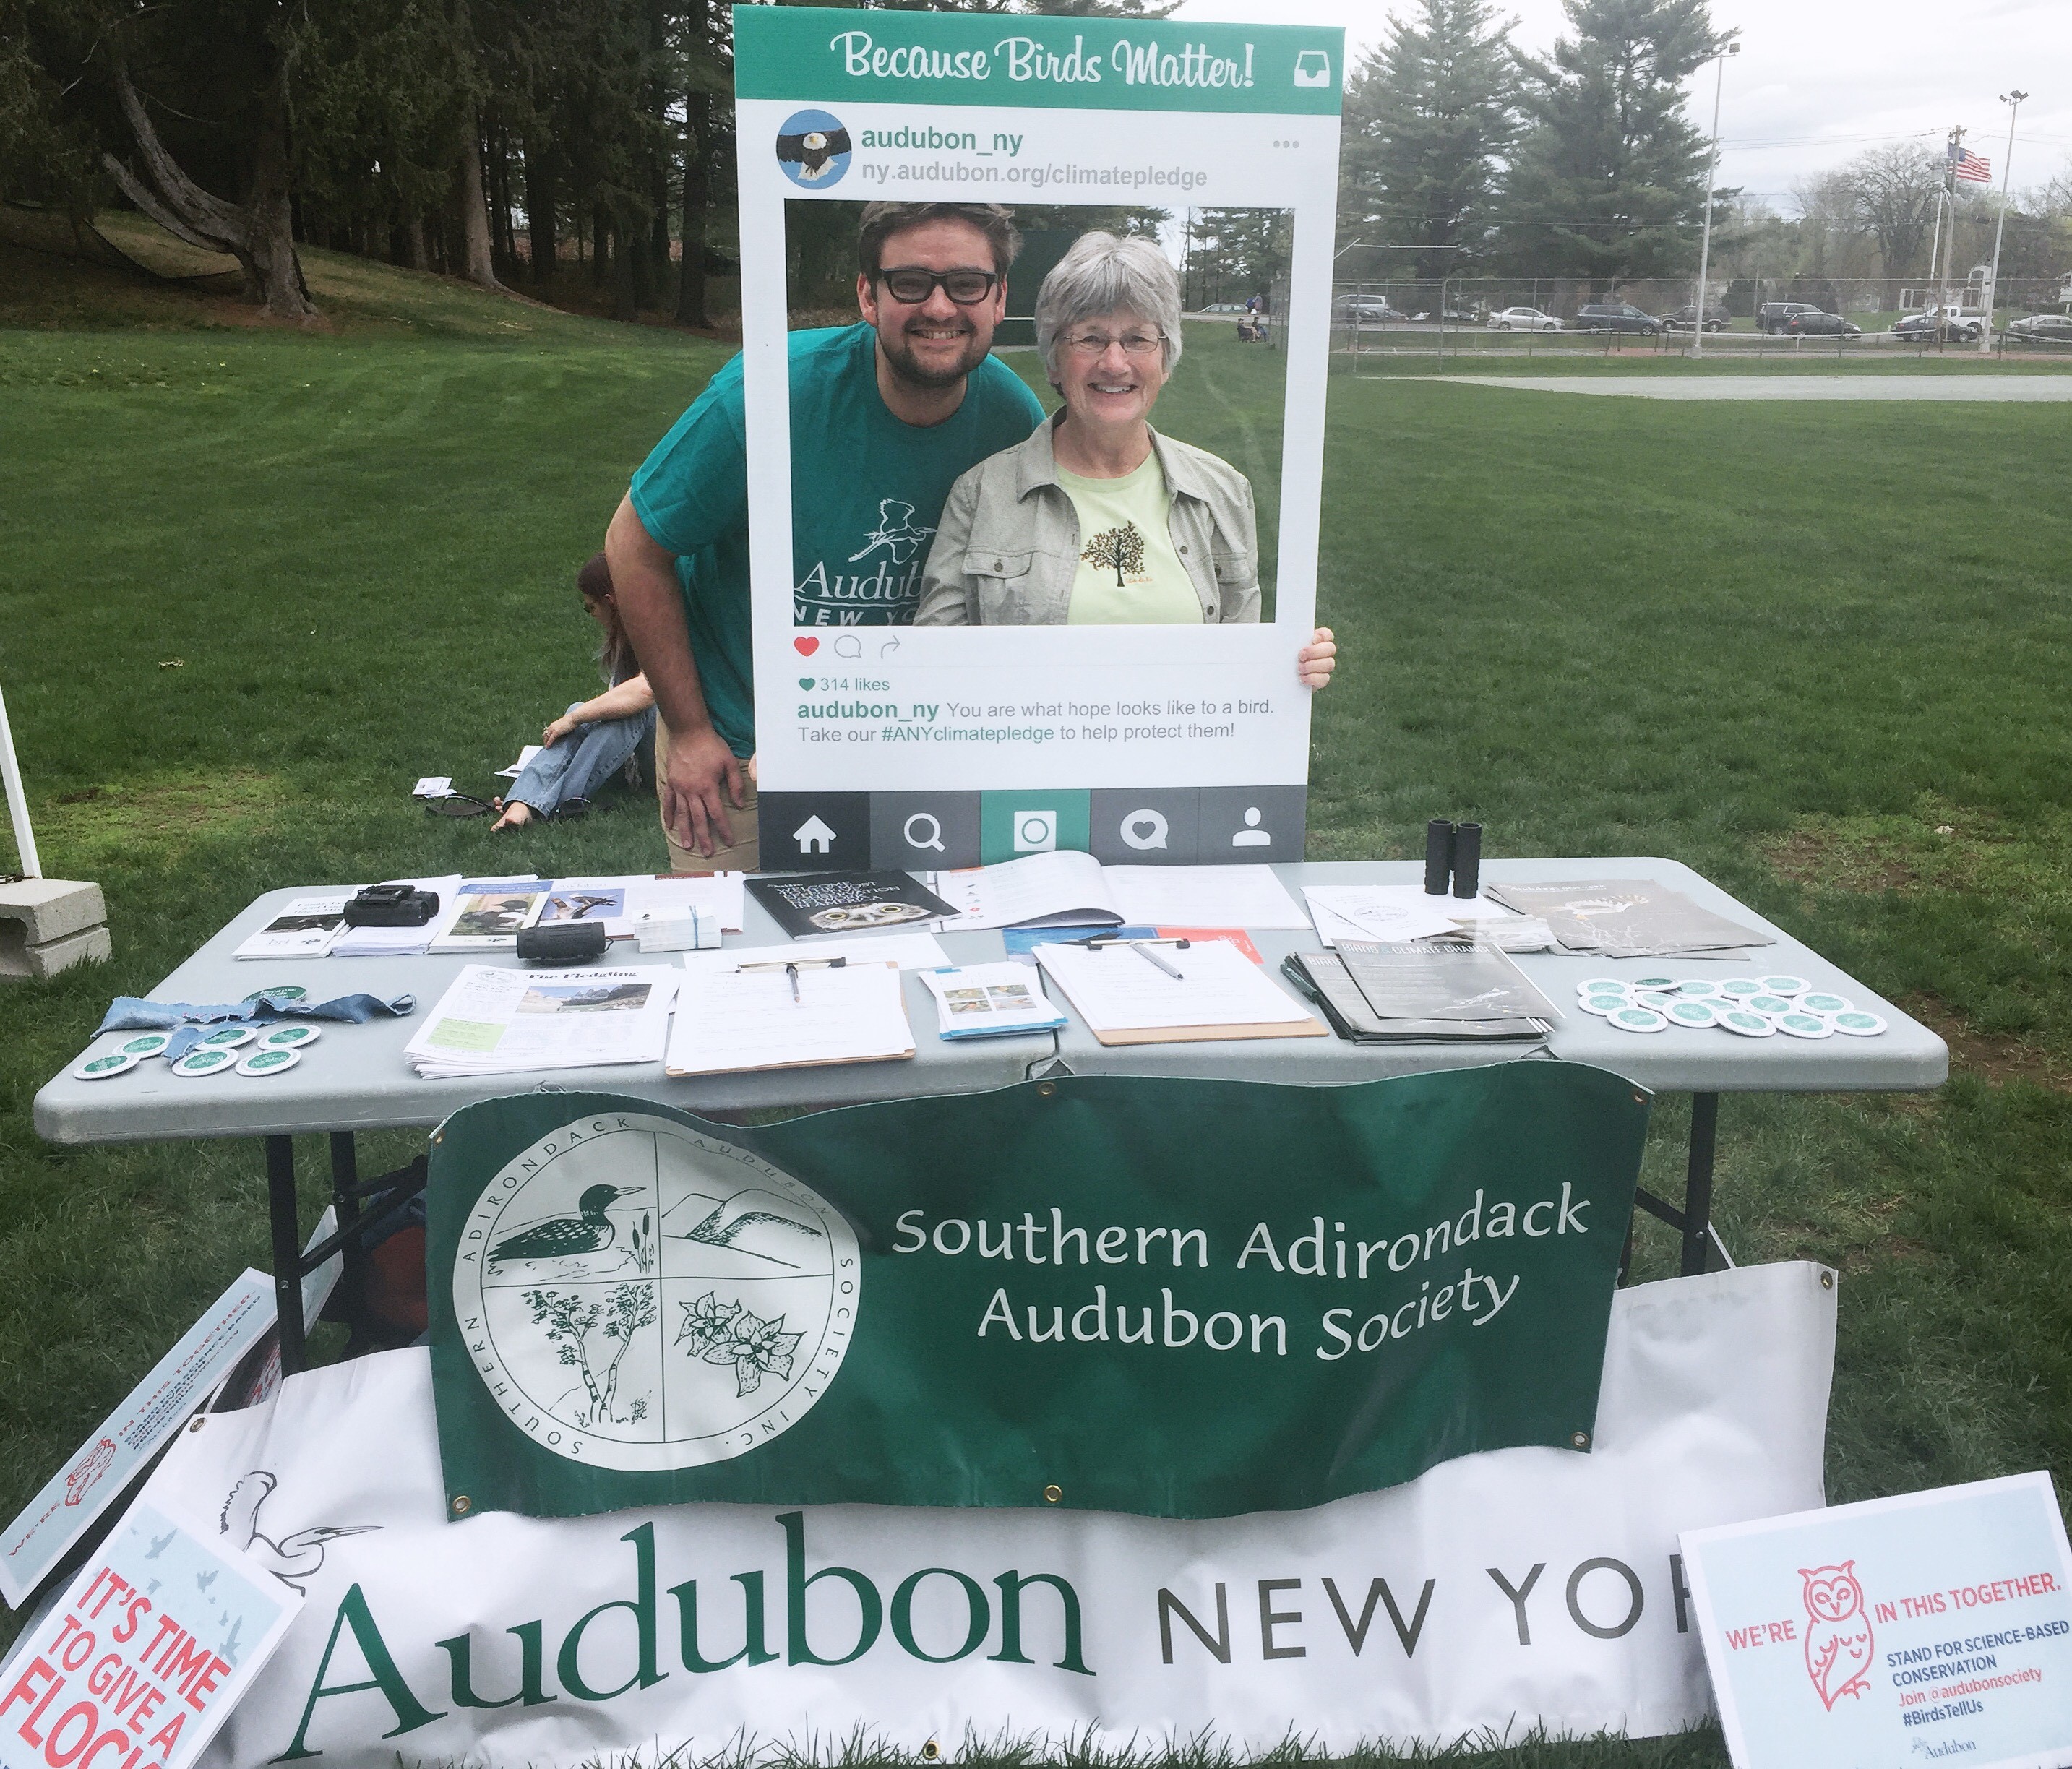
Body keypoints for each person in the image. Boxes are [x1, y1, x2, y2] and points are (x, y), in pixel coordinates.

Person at [603, 202, 1046, 869]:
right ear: (868, 295)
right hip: (743, 746)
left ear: (999, 297)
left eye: (965, 284)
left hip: (919, 747)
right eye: (909, 283)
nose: (938, 307)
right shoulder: (768, 393)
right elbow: (634, 546)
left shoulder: (1012, 417)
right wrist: (691, 732)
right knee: (748, 959)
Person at [912, 233, 1336, 690]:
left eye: (1138, 339)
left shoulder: (1222, 491)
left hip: (1179, 758)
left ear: (1166, 360)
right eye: (1091, 338)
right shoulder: (981, 494)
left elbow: (1240, 673)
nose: (1115, 363)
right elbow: (937, 669)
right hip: (1032, 757)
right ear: (1054, 361)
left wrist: (1291, 668)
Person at [492, 554, 656, 831]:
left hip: (671, 760)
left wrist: (575, 719)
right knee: (582, 710)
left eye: (589, 607)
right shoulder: (625, 640)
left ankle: (551, 802)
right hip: (632, 761)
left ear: (610, 601)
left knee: (623, 711)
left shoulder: (659, 629)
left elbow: (646, 690)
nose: (591, 614)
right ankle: (522, 803)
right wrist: (577, 716)